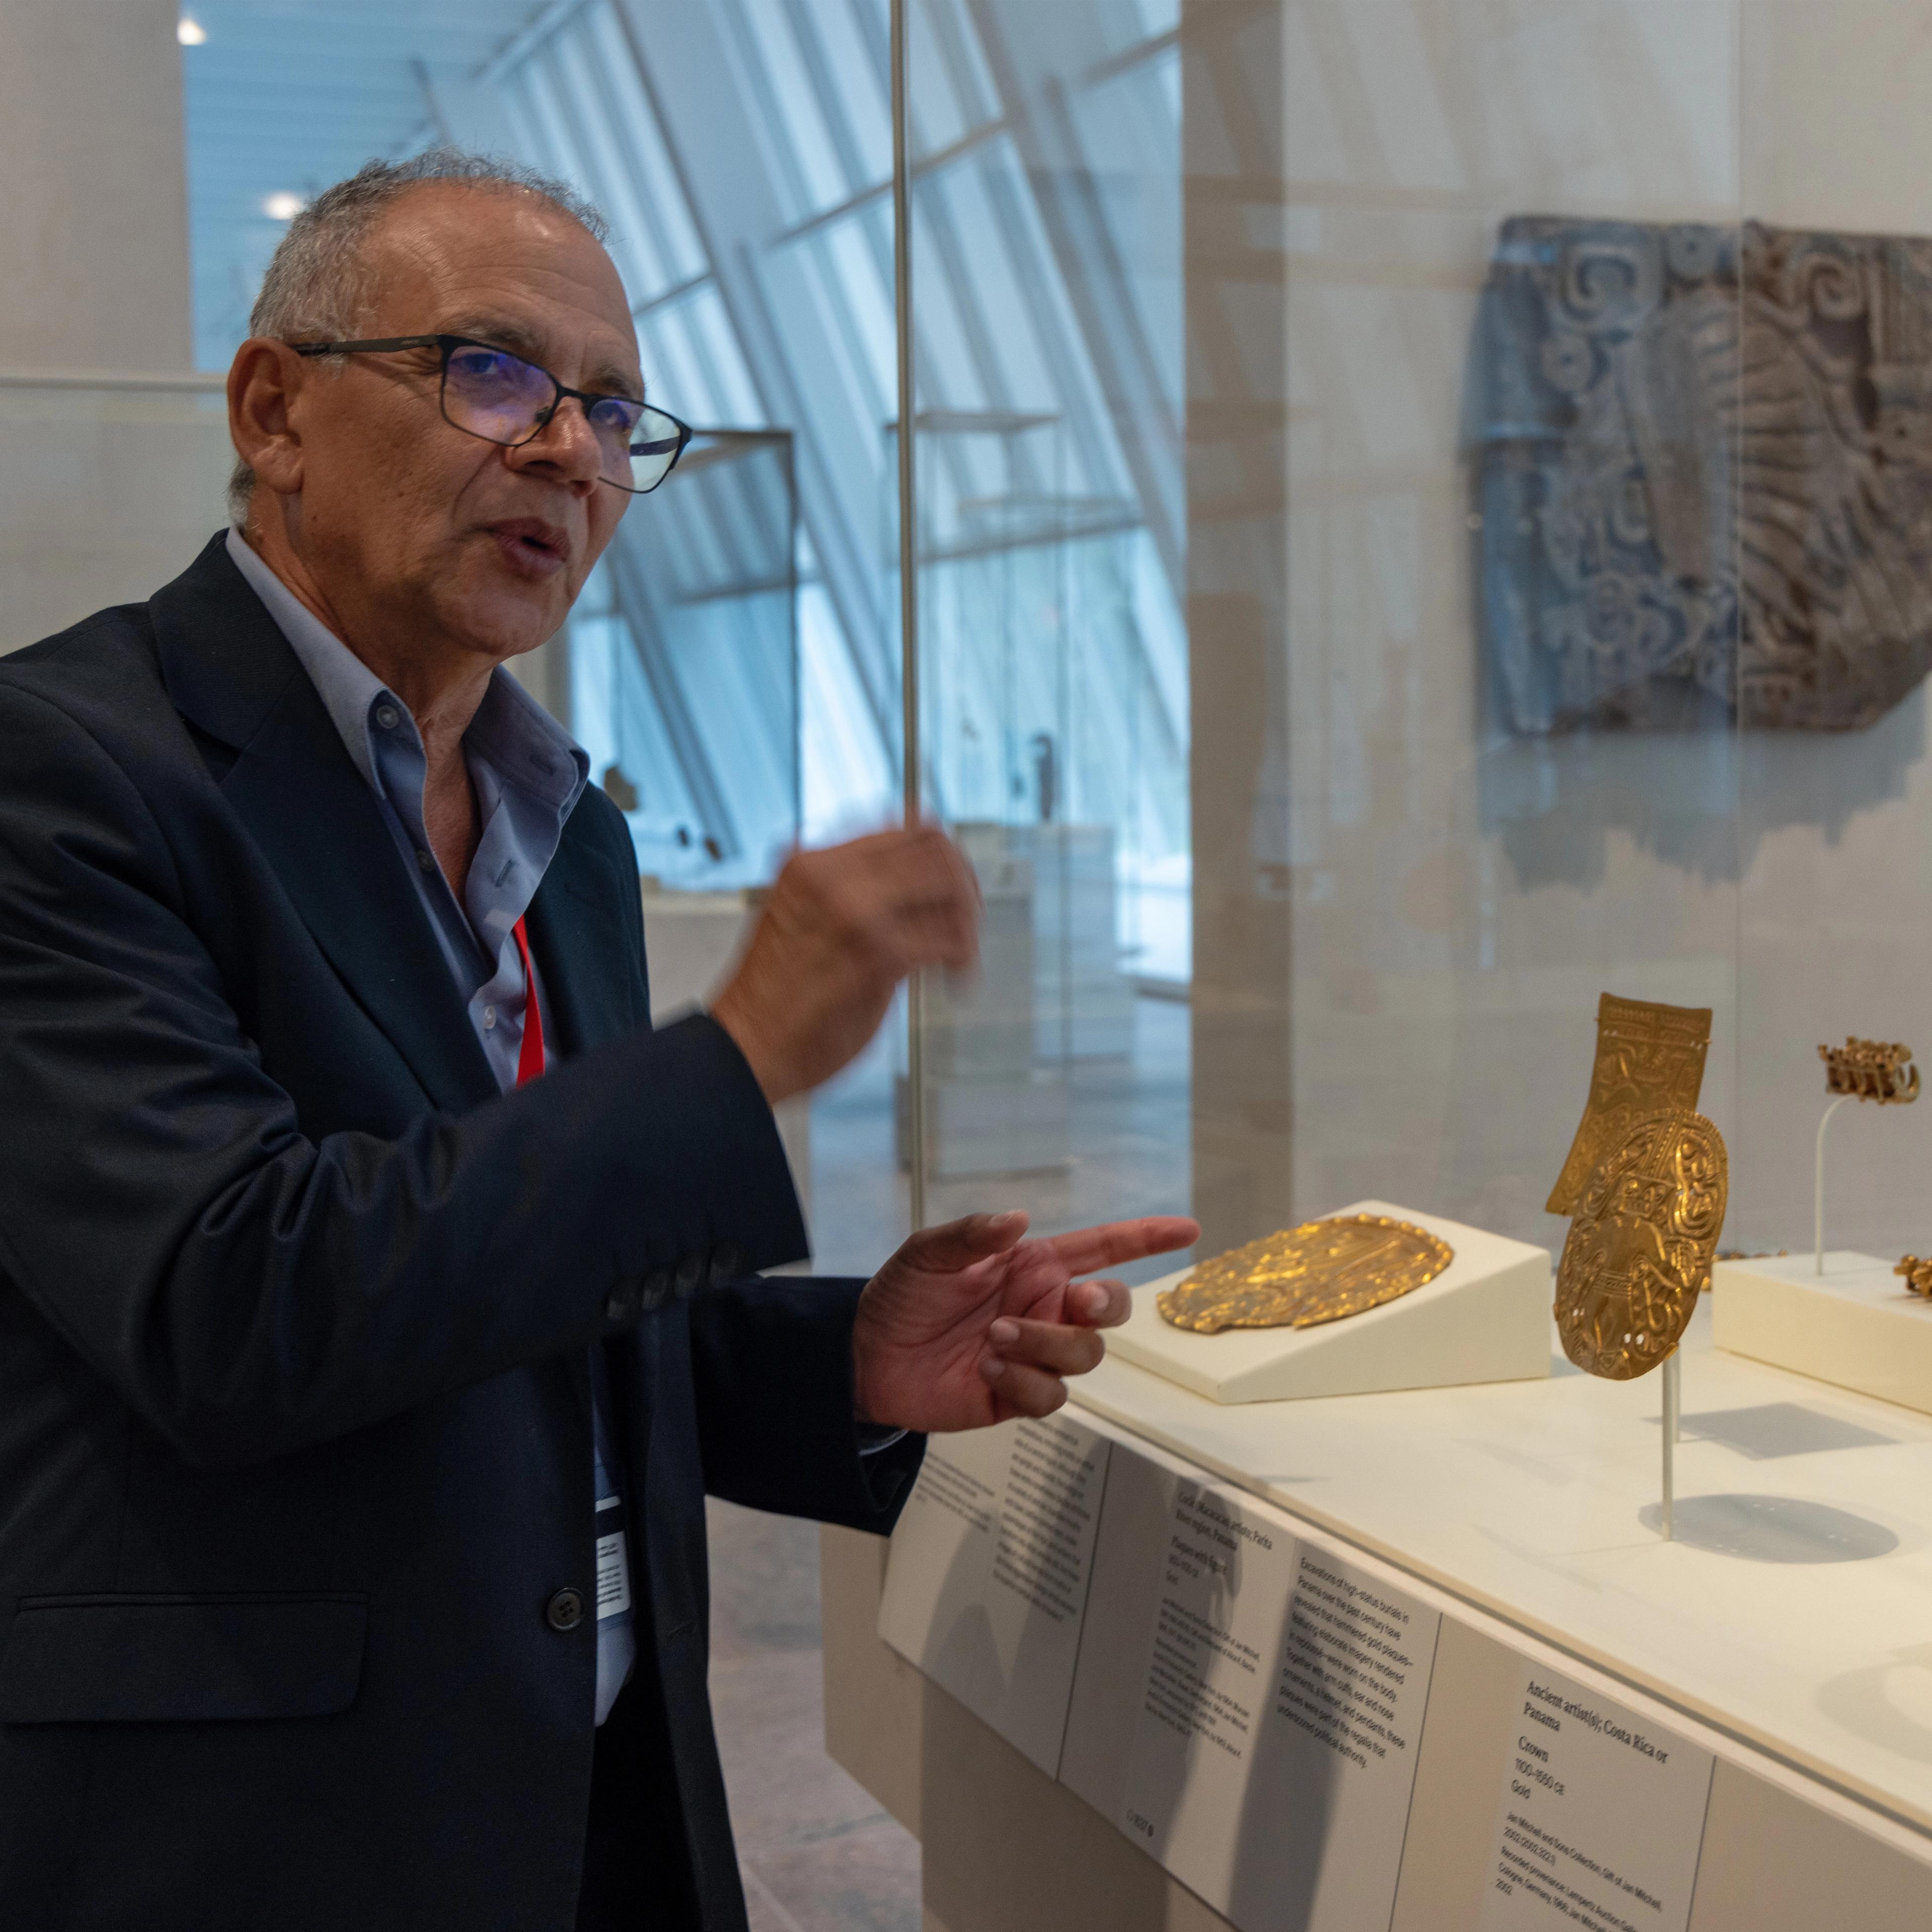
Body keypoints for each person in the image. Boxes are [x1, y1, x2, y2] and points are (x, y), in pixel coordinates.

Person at [0, 152, 1196, 1932]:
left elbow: (522, 1301)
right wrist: (738, 1062)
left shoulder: (572, 828)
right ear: (276, 409)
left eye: (616, 412)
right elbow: (233, 1302)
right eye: (492, 372)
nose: (567, 451)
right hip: (260, 1827)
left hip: (599, 1791)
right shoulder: (69, 774)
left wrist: (836, 1361)